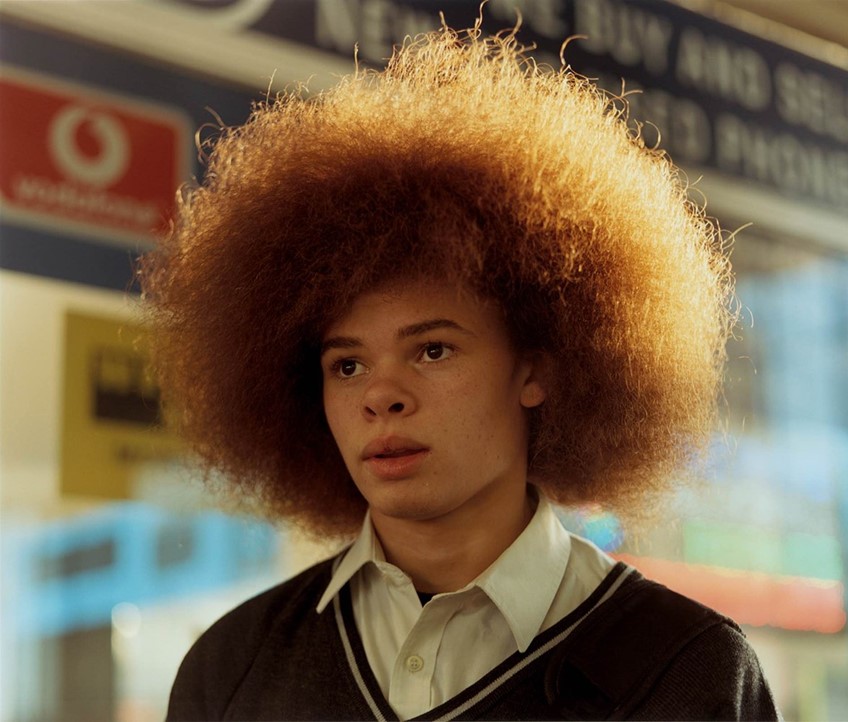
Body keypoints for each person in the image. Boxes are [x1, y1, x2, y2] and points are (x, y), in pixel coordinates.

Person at [142, 19, 780, 722]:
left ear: (535, 368)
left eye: (433, 350)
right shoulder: (232, 667)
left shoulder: (683, 669)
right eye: (347, 364)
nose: (381, 395)